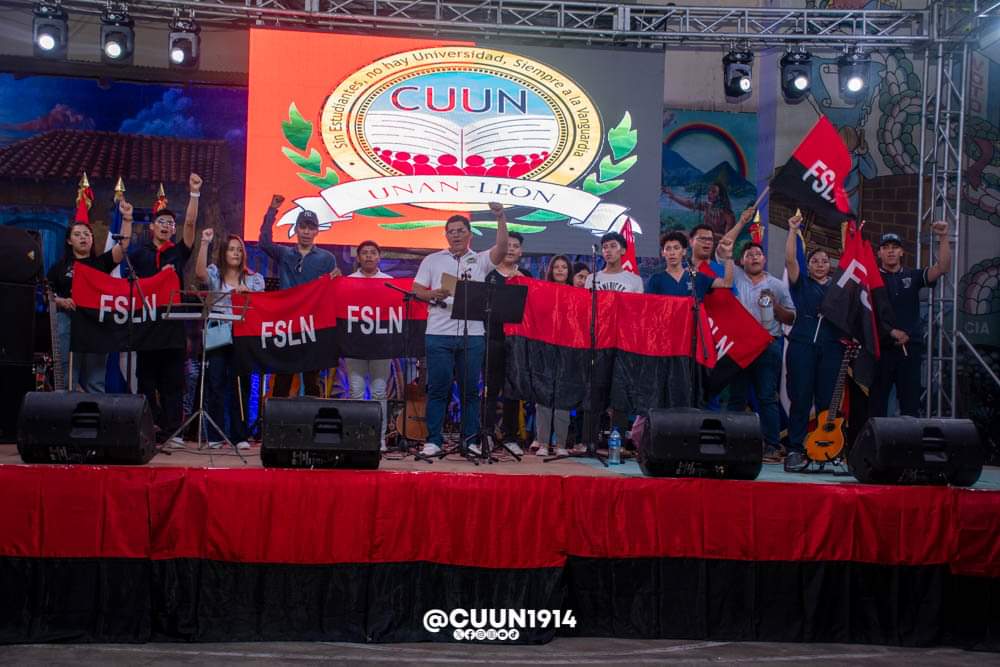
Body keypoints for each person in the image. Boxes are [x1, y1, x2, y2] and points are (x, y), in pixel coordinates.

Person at [412, 204, 509, 457]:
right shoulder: (432, 260)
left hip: (473, 335)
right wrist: (432, 294)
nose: (455, 235)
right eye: (451, 231)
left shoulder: (480, 260)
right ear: (446, 235)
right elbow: (417, 290)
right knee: (437, 389)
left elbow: (502, 248)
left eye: (460, 231)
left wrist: (500, 217)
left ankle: (470, 441)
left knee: (470, 391)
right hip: (438, 334)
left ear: (469, 234)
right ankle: (434, 440)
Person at [128, 173, 201, 444]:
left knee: (173, 383)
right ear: (152, 227)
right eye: (162, 221)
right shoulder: (138, 253)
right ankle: (148, 427)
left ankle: (173, 431)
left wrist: (194, 193)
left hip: (172, 329)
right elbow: (130, 284)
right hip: (146, 327)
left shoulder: (177, 252)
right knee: (146, 381)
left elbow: (191, 223)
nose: (167, 226)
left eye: (171, 223)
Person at [717, 224, 795, 461]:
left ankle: (772, 445)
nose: (754, 257)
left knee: (767, 396)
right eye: (749, 255)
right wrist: (740, 223)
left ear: (764, 259)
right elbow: (722, 250)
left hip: (768, 344)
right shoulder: (736, 276)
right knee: (737, 397)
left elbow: (791, 317)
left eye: (758, 254)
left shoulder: (777, 285)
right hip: (740, 346)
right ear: (741, 261)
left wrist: (776, 304)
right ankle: (732, 443)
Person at [258, 194, 340, 397]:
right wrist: (272, 210)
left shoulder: (327, 258)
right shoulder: (285, 254)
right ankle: (277, 425)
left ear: (316, 231)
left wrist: (337, 277)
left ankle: (314, 425)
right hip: (287, 323)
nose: (306, 231)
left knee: (312, 379)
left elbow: (333, 292)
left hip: (313, 324)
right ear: (296, 229)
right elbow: (264, 242)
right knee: (283, 377)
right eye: (303, 227)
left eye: (311, 228)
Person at [47, 199, 134, 392]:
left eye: (87, 234)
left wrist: (127, 219)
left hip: (96, 326)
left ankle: (95, 418)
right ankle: (65, 417)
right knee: (67, 377)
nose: (83, 237)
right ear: (69, 240)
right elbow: (46, 294)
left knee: (96, 381)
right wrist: (60, 301)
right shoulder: (59, 268)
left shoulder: (101, 263)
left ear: (92, 239)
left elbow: (123, 248)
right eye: (77, 234)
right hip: (68, 322)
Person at [782, 213, 844, 472]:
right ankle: (795, 450)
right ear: (808, 266)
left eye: (824, 261)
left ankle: (830, 450)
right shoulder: (801, 284)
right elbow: (789, 259)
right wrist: (792, 231)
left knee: (827, 401)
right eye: (815, 261)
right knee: (801, 398)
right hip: (802, 345)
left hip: (831, 347)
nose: (820, 264)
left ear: (831, 265)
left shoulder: (840, 286)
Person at [870, 222, 951, 417]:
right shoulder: (870, 278)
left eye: (894, 248)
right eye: (885, 248)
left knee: (910, 404)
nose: (890, 252)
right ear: (879, 253)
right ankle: (877, 447)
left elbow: (942, 267)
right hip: (881, 349)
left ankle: (909, 447)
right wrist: (889, 332)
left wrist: (943, 237)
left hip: (909, 348)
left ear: (901, 252)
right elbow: (864, 314)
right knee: (876, 405)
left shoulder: (912, 275)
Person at [195, 228, 264, 450]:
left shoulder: (254, 279)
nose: (235, 253)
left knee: (241, 384)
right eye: (231, 250)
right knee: (215, 382)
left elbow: (261, 308)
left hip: (242, 333)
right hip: (218, 329)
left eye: (239, 250)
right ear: (224, 253)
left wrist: (249, 298)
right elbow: (200, 275)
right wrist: (204, 243)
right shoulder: (215, 272)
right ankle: (215, 435)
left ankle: (239, 435)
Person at [483, 231, 531, 456]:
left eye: (515, 246)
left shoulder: (527, 276)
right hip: (492, 339)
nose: (511, 249)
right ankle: (487, 435)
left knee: (513, 391)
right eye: (507, 245)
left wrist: (522, 281)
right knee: (490, 389)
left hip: (517, 342)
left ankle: (511, 437)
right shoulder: (488, 274)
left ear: (521, 251)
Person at [344, 240, 393, 451]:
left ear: (379, 257)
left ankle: (378, 438)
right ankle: (358, 435)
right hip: (354, 346)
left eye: (373, 253)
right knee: (356, 391)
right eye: (365, 253)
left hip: (381, 347)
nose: (369, 256)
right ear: (358, 257)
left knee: (379, 393)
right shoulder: (347, 282)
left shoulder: (389, 282)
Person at [532, 255, 574, 456]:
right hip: (544, 349)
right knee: (543, 397)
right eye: (556, 267)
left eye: (564, 267)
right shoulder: (542, 292)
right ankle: (542, 444)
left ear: (569, 271)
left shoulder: (577, 295)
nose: (559, 270)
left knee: (563, 399)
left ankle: (561, 445)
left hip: (568, 352)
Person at [646, 230, 733, 297]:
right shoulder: (655, 280)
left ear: (684, 251)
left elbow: (726, 283)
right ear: (663, 253)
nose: (672, 252)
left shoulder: (696, 277)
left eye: (676, 248)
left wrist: (728, 257)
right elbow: (649, 308)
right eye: (668, 249)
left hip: (693, 320)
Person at [663, 181, 736, 238]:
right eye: (709, 191)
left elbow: (727, 238)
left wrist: (706, 235)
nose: (709, 193)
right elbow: (689, 204)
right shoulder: (707, 206)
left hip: (714, 245)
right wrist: (673, 196)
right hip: (702, 238)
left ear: (721, 196)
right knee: (675, 234)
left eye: (713, 192)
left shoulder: (728, 214)